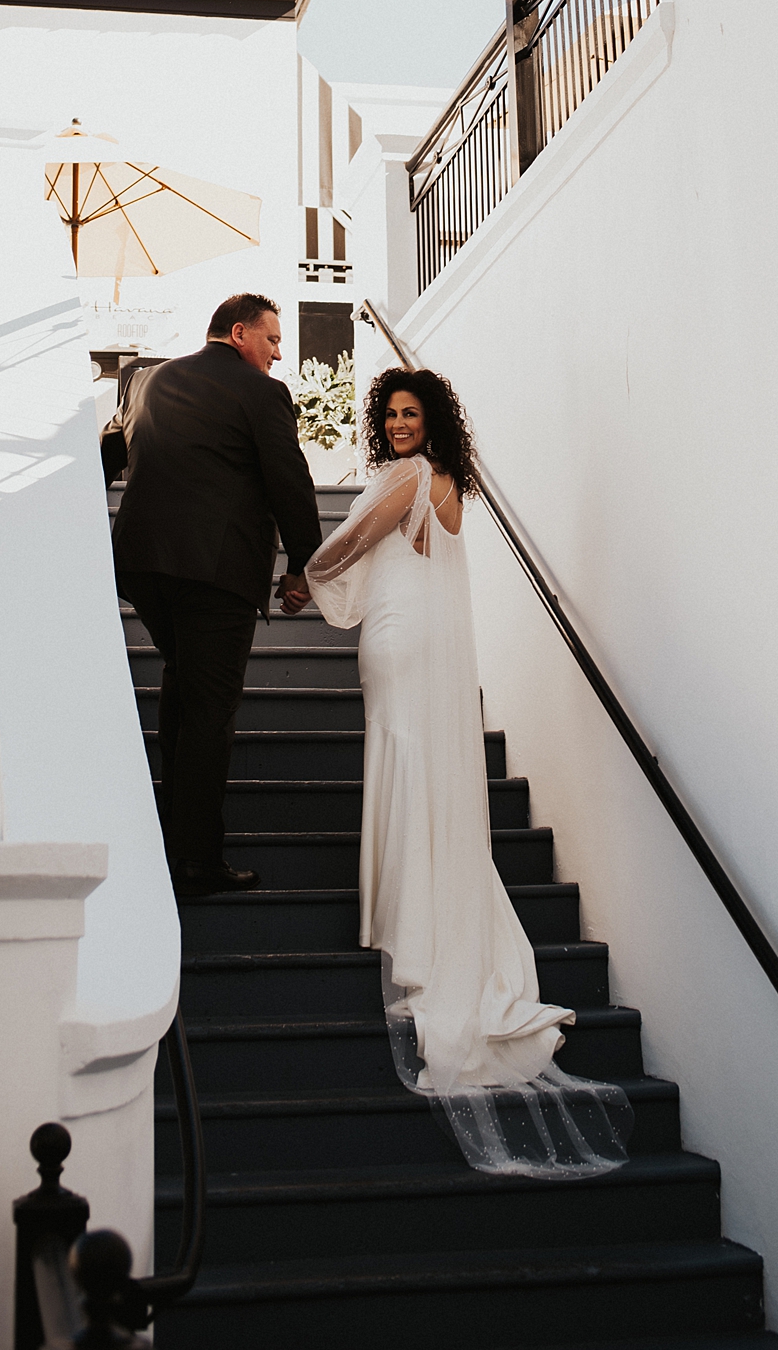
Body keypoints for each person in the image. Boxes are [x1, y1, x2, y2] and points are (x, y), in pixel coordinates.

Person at [302, 366, 632, 1178]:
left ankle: (408, 926)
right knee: (419, 760)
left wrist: (305, 572)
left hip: (397, 636)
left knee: (400, 754)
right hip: (427, 641)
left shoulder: (408, 477)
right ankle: (426, 912)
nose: (400, 423)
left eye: (411, 412)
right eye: (391, 413)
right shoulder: (449, 481)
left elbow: (353, 540)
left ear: (431, 421)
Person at [102, 293, 322, 899]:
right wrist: (304, 566)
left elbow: (108, 451)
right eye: (272, 339)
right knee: (209, 713)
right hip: (215, 572)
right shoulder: (261, 394)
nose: (279, 353)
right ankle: (196, 862)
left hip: (144, 568)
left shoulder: (148, 381)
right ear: (238, 332)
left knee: (184, 688)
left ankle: (168, 842)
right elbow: (289, 481)